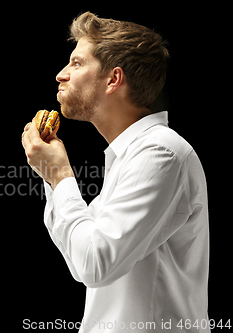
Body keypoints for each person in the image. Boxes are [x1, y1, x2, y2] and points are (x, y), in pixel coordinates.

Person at [21, 12, 209, 333]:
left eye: (77, 63)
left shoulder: (159, 152)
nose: (61, 74)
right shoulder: (130, 155)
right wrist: (52, 178)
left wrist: (60, 176)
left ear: (113, 79)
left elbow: (96, 265)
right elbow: (80, 262)